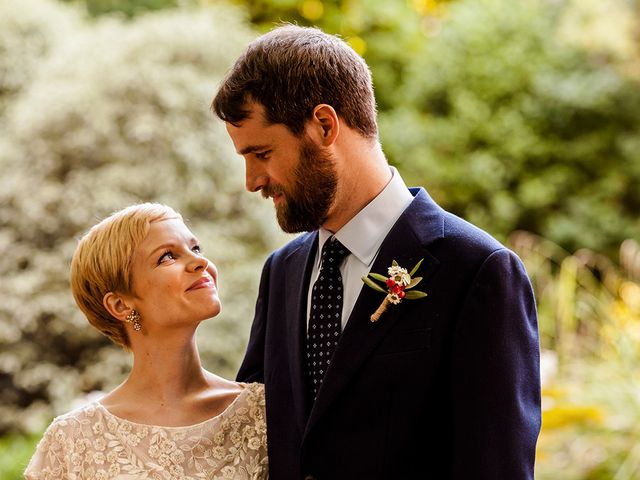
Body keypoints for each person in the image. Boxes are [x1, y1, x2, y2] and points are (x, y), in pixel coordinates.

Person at [211, 25, 541, 479]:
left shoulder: (477, 270)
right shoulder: (281, 272)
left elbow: (495, 467)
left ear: (324, 126)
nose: (252, 181)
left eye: (262, 153)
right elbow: (257, 443)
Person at [24, 203, 268, 480]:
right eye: (167, 257)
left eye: (196, 248)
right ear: (120, 304)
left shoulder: (263, 412)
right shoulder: (71, 441)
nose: (200, 262)